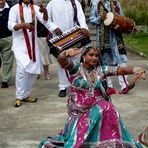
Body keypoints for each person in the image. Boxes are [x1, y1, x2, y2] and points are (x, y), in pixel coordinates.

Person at [38, 43, 146, 148]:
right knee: (103, 108)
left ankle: (108, 140)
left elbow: (120, 70)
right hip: (80, 110)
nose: (94, 58)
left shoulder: (100, 70)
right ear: (83, 56)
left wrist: (136, 70)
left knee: (107, 107)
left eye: (96, 55)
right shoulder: (76, 69)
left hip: (97, 105)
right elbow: (62, 61)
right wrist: (65, 53)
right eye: (91, 55)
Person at [8, 0, 51, 107]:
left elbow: (45, 20)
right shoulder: (14, 9)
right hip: (20, 45)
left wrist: (45, 11)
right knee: (21, 70)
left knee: (33, 72)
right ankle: (18, 96)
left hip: (32, 45)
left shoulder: (35, 8)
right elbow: (10, 25)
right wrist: (23, 25)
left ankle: (25, 95)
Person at [89, 0, 137, 94]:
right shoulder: (96, 3)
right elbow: (91, 20)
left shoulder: (116, 3)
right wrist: (100, 18)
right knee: (106, 62)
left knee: (122, 60)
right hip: (104, 39)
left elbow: (123, 18)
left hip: (117, 37)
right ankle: (109, 87)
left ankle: (124, 85)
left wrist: (130, 26)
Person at [46, 0, 90, 97]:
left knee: (77, 60)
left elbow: (81, 17)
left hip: (74, 36)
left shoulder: (75, 2)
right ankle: (63, 87)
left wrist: (84, 27)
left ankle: (77, 84)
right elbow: (46, 20)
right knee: (62, 61)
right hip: (59, 37)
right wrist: (54, 28)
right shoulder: (52, 3)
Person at [34, 0, 52, 80]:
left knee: (44, 55)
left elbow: (48, 23)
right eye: (35, 3)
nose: (37, 5)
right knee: (35, 56)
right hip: (33, 37)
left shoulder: (44, 13)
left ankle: (46, 72)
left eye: (38, 3)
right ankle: (36, 72)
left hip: (42, 36)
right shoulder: (30, 13)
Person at [0, 0, 14, 88]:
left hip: (7, 38)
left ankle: (5, 80)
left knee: (7, 61)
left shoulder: (11, 9)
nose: (1, 1)